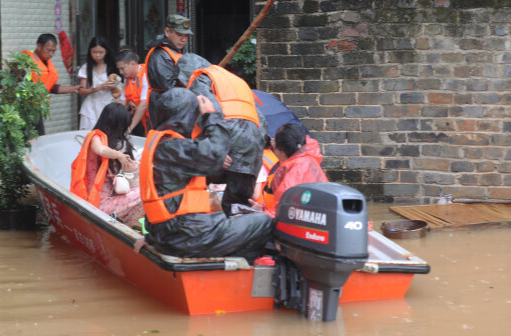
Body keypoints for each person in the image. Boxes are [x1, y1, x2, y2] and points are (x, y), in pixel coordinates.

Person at [139, 88, 272, 264]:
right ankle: (241, 269)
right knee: (262, 221)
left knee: (231, 218)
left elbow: (183, 182)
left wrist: (149, 238)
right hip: (188, 235)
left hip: (162, 235)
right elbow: (215, 154)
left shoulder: (158, 145)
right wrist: (211, 116)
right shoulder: (175, 147)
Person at [178, 53, 266, 216]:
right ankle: (244, 233)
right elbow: (261, 120)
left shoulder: (199, 78)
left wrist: (218, 147)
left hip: (228, 137)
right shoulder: (236, 81)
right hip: (252, 146)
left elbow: (211, 111)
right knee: (237, 205)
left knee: (191, 179)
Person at [70, 103, 144, 227]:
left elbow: (126, 175)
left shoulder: (116, 145)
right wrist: (119, 155)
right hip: (97, 204)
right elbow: (100, 150)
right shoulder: (96, 138)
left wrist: (133, 166)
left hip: (110, 202)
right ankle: (132, 226)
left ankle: (132, 227)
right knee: (145, 193)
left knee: (146, 187)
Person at [250, 123, 329, 218]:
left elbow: (285, 210)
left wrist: (256, 219)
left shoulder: (297, 169)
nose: (272, 148)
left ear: (281, 152)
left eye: (273, 147)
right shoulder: (303, 161)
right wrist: (263, 208)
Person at [23, 33, 82, 135]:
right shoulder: (26, 61)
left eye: (53, 51)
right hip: (24, 108)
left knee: (38, 140)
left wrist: (73, 89)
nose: (51, 54)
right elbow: (13, 83)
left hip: (37, 109)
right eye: (48, 50)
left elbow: (50, 87)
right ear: (39, 46)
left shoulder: (46, 63)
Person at [144, 14, 192, 129]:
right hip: (164, 109)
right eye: (179, 34)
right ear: (167, 31)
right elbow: (170, 86)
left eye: (186, 36)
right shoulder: (160, 54)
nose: (183, 39)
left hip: (179, 107)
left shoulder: (180, 51)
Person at [77, 36, 121, 130]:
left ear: (106, 52)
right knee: (89, 136)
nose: (97, 55)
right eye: (94, 52)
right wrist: (98, 88)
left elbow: (121, 89)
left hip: (108, 106)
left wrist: (113, 86)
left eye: (100, 52)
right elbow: (81, 91)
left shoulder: (114, 67)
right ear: (90, 52)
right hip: (91, 108)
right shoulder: (86, 68)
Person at [115, 48, 148, 136]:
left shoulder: (146, 74)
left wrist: (130, 128)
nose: (120, 72)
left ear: (132, 63)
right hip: (140, 119)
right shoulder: (127, 79)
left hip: (152, 118)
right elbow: (123, 101)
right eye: (119, 69)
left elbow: (144, 104)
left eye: (122, 68)